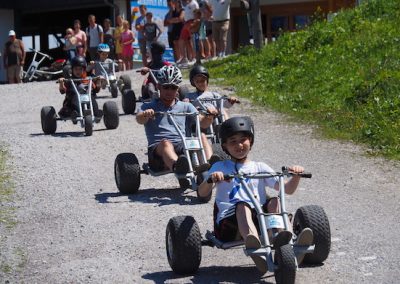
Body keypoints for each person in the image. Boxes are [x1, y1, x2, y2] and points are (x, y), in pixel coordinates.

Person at [198, 116, 314, 274]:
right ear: (224, 145)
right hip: (228, 226)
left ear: (250, 141)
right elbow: (202, 192)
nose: (239, 145)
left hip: (259, 220)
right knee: (242, 205)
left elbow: (286, 189)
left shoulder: (260, 167)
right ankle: (253, 243)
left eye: (243, 140)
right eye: (233, 141)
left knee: (274, 201)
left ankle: (284, 239)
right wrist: (211, 179)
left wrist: (296, 176)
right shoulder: (220, 166)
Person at [136, 65, 214, 174]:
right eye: (166, 87)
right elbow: (139, 119)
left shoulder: (186, 106)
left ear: (177, 89)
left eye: (172, 87)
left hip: (182, 147)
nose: (169, 91)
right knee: (166, 143)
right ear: (159, 86)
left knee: (201, 136)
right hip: (158, 152)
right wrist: (145, 115)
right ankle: (178, 167)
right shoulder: (149, 106)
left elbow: (202, 123)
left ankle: (211, 163)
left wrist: (209, 116)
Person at [58, 56, 103, 120]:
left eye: (80, 69)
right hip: (73, 102)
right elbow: (62, 91)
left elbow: (96, 90)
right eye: (76, 69)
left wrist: (98, 81)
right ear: (72, 70)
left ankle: (96, 112)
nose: (78, 71)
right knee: (68, 107)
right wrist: (61, 83)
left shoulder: (88, 80)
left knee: (92, 99)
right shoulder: (69, 81)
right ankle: (74, 113)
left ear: (84, 70)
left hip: (87, 100)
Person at [177, 0, 199, 66]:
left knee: (191, 40)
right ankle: (184, 58)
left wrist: (195, 23)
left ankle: (194, 58)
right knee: (183, 40)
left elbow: (197, 13)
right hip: (186, 23)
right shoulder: (186, 4)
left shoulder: (194, 3)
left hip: (192, 22)